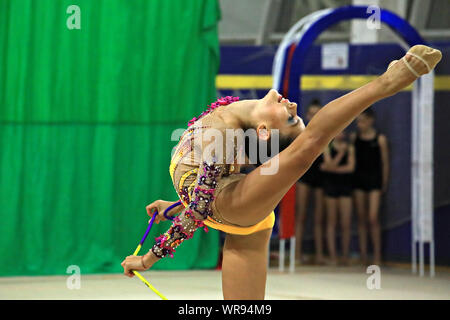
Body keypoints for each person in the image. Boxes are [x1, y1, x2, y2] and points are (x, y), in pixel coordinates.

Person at [121, 45, 441, 299]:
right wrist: (176, 205)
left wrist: (148, 259)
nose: (294, 108)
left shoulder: (225, 139)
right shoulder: (230, 116)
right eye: (295, 117)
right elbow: (204, 191)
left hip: (234, 207)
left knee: (309, 146)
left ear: (263, 131)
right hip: (238, 211)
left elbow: (202, 205)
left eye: (290, 120)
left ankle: (387, 83)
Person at [351, 108, 389, 266]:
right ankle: (364, 255)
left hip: (374, 180)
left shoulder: (380, 139)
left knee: (373, 218)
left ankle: (377, 256)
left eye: (363, 121)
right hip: (359, 180)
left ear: (371, 120)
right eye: (358, 121)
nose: (360, 124)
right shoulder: (355, 138)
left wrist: (383, 183)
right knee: (361, 218)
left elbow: (385, 163)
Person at [295, 99, 325, 265]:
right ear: (307, 115)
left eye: (317, 114)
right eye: (312, 114)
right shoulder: (301, 133)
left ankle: (320, 255)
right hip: (304, 176)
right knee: (301, 215)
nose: (314, 116)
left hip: (321, 176)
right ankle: (297, 254)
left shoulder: (327, 133)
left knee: (319, 218)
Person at [321, 131, 355, 266]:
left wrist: (331, 168)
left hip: (345, 186)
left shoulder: (350, 147)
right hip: (331, 185)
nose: (341, 134)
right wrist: (341, 154)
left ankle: (345, 255)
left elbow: (351, 168)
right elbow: (328, 164)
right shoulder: (327, 147)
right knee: (331, 222)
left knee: (346, 223)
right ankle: (333, 256)